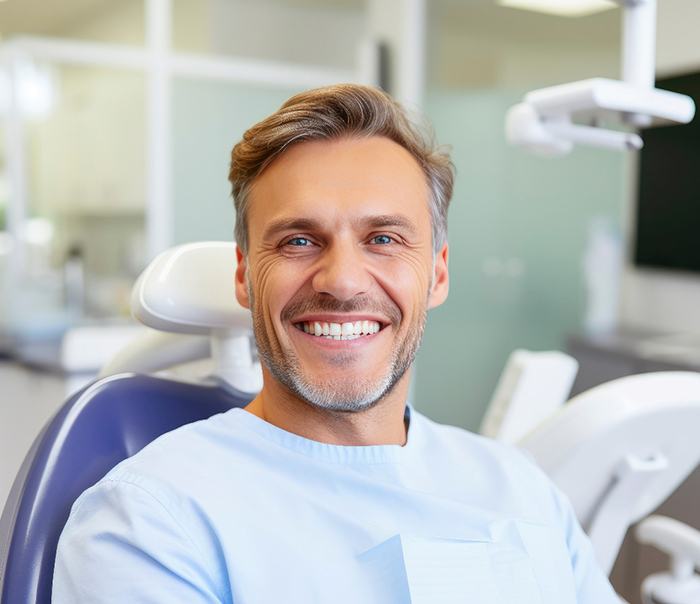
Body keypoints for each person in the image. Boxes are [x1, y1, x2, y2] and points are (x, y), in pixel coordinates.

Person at [53, 84, 619, 603]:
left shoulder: (522, 489)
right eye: (299, 240)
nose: (343, 281)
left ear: (438, 274)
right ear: (245, 276)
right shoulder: (152, 520)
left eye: (384, 239)